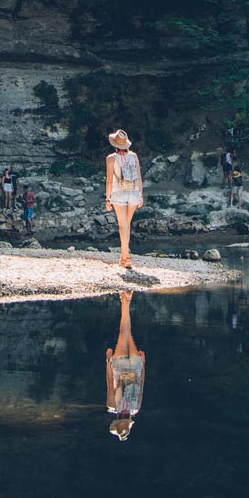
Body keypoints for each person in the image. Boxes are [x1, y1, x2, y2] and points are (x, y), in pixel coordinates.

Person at [105, 290, 145, 440]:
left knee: (124, 333)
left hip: (122, 367)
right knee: (126, 333)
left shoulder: (113, 406)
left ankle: (126, 301)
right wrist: (143, 365)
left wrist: (108, 361)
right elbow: (140, 387)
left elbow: (110, 384)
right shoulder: (135, 408)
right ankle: (125, 300)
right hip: (133, 367)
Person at [104, 128, 142, 269]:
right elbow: (138, 177)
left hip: (118, 193)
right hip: (133, 192)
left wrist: (108, 199)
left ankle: (126, 258)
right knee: (127, 224)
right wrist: (141, 196)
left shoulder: (111, 158)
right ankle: (124, 257)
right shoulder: (134, 156)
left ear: (115, 144)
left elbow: (109, 180)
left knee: (123, 225)